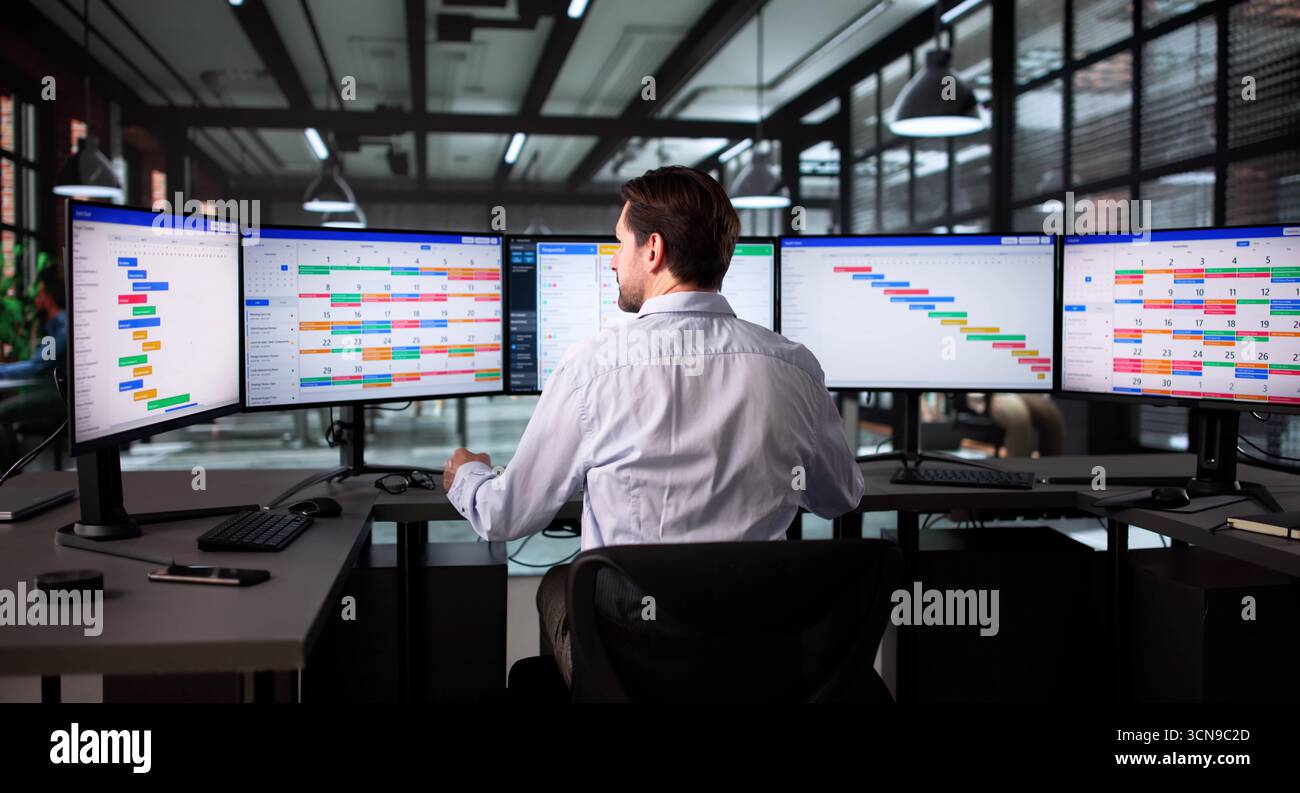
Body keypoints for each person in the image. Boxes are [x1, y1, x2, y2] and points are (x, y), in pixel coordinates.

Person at [440, 166, 864, 684]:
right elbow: (840, 496)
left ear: (654, 250)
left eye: (619, 244)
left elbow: (505, 516)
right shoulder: (795, 367)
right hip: (760, 654)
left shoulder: (593, 366)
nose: (613, 262)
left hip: (636, 659)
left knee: (558, 584)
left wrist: (468, 475)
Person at [0, 266, 68, 469]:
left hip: (57, 397)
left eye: (39, 295)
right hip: (50, 391)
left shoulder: (61, 328)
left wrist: (2, 370)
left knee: (2, 412)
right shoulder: (53, 326)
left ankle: (12, 475)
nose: (35, 301)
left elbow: (36, 366)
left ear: (48, 299)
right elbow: (40, 362)